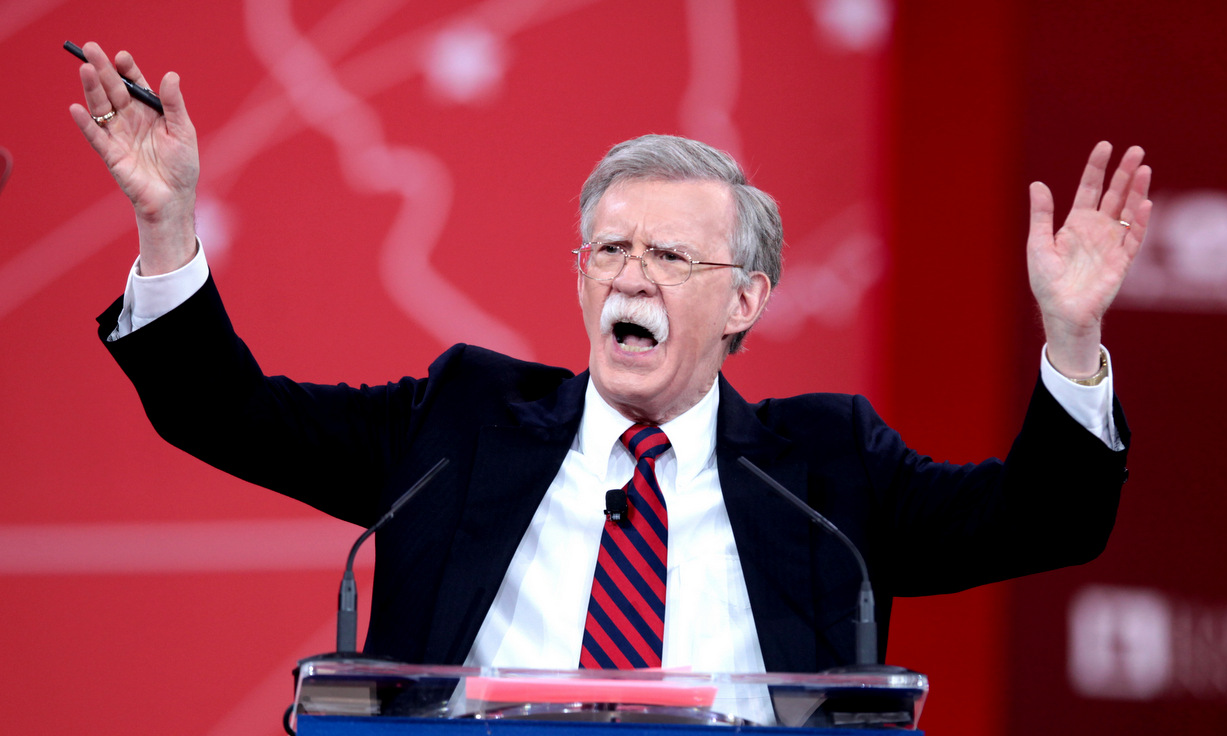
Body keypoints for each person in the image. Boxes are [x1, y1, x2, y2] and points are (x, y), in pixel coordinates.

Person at [70, 43, 1147, 680]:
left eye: (669, 255)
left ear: (743, 300)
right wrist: (167, 229)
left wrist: (1071, 335)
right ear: (580, 275)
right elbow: (225, 414)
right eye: (610, 250)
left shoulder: (828, 471)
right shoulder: (461, 425)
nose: (629, 276)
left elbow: (1047, 519)